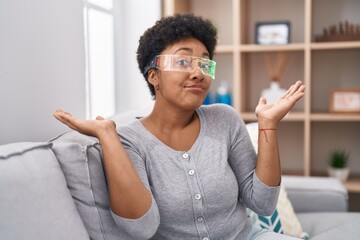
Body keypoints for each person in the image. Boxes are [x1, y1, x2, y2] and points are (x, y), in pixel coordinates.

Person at [53, 13, 305, 240]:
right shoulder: (129, 140)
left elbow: (263, 203)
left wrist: (268, 125)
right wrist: (107, 135)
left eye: (204, 64)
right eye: (183, 62)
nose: (198, 73)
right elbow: (142, 228)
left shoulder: (225, 118)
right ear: (154, 76)